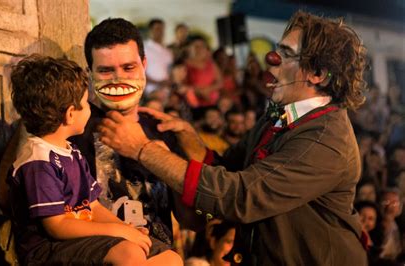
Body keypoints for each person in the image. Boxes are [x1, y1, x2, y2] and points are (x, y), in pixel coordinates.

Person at [99, 11, 368, 265]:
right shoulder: (280, 115)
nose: (272, 59)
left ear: (318, 74)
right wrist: (191, 140)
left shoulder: (324, 140)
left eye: (286, 54)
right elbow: (229, 169)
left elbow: (240, 196)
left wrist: (143, 150)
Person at [6, 55, 182, 265]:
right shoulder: (38, 162)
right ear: (71, 114)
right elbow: (57, 225)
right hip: (48, 249)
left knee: (170, 259)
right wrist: (117, 232)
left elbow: (93, 206)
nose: (90, 108)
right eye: (85, 102)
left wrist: (126, 230)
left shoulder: (71, 151)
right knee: (129, 255)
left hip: (82, 240)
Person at [72, 17, 203, 248]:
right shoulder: (73, 126)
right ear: (89, 73)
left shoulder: (163, 128)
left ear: (144, 64)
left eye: (128, 67)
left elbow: (193, 221)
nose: (118, 78)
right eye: (105, 70)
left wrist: (165, 162)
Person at [144, 18, 173, 97]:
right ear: (150, 31)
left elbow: (170, 70)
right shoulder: (144, 48)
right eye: (157, 29)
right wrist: (157, 83)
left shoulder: (167, 51)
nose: (160, 32)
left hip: (167, 91)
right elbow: (139, 71)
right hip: (149, 90)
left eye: (162, 29)